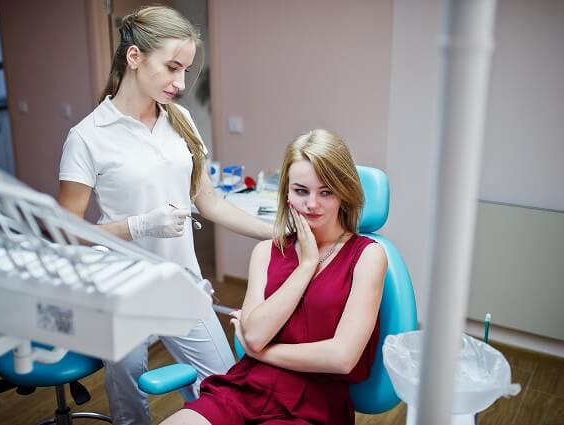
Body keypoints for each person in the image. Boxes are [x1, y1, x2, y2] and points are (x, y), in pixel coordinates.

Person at [57, 6, 273, 424]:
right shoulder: (86, 137)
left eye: (186, 71)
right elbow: (67, 232)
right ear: (134, 57)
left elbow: (208, 202)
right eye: (173, 67)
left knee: (224, 385)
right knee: (130, 404)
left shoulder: (181, 120)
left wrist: (275, 232)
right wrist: (138, 225)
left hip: (181, 282)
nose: (181, 83)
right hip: (121, 291)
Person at [162, 129, 387, 425]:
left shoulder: (368, 256)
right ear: (287, 193)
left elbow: (342, 358)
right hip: (246, 387)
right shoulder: (266, 252)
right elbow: (254, 335)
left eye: (326, 191)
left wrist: (263, 353)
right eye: (301, 191)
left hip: (315, 404)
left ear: (344, 192)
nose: (312, 204)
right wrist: (306, 265)